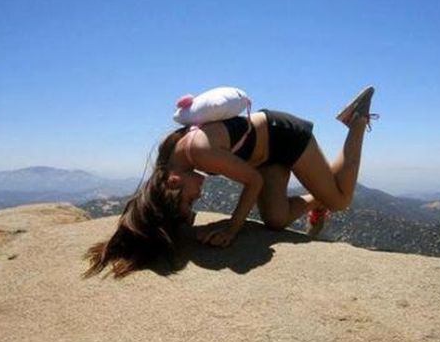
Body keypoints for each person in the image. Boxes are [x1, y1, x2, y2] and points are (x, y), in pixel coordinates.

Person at [85, 86, 377, 277]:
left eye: (190, 199)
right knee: (275, 221)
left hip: (286, 137)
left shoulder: (198, 151)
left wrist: (233, 227)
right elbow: (150, 209)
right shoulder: (168, 162)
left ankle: (356, 120)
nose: (198, 195)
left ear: (173, 182)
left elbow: (252, 182)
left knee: (342, 201)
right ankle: (318, 199)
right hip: (265, 157)